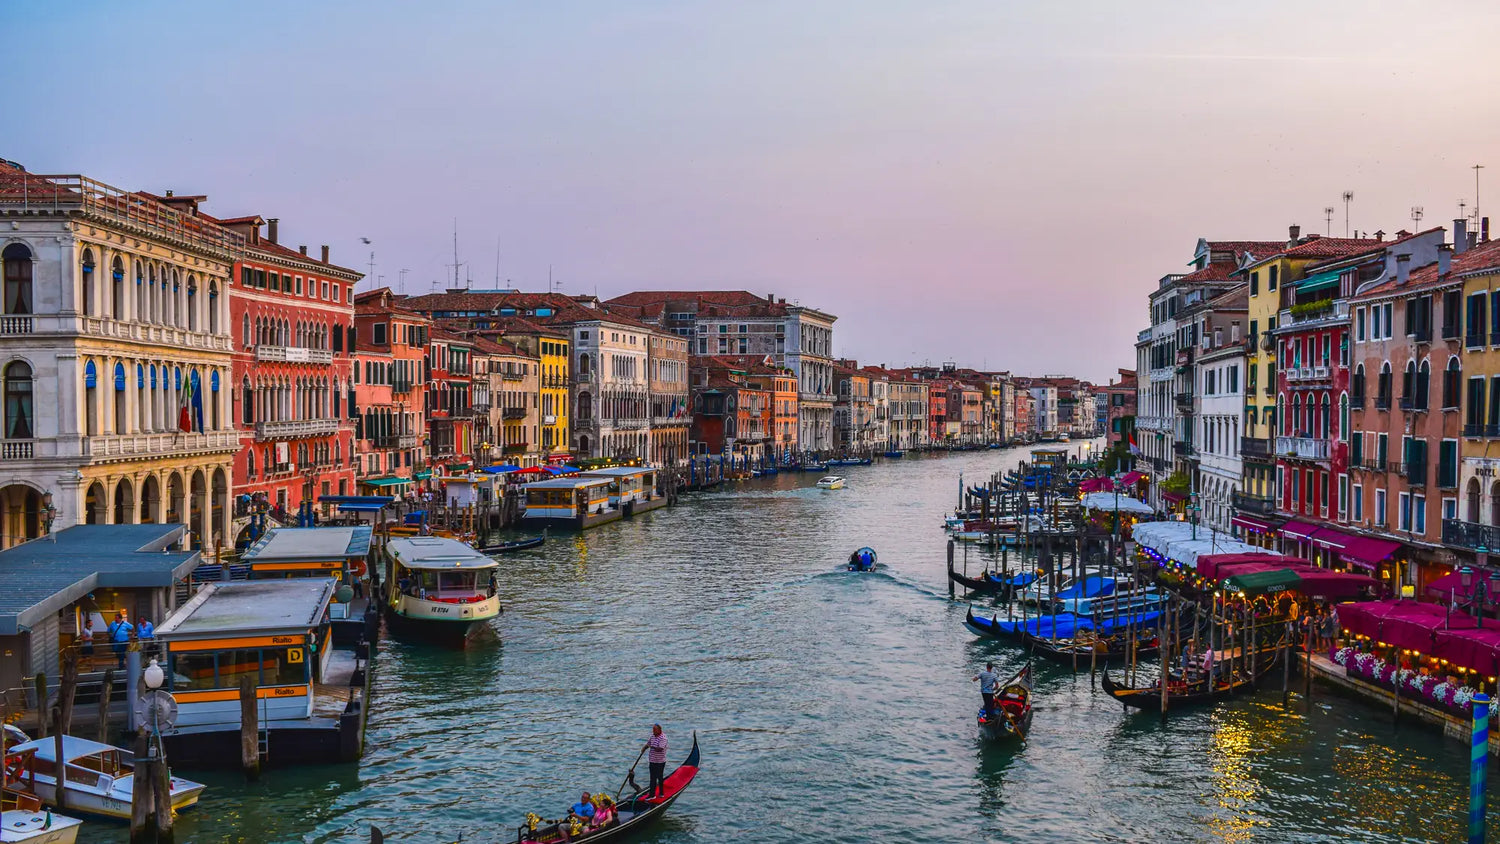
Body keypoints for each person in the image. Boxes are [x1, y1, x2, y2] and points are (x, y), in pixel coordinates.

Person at [646, 724, 668, 798]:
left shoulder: (663, 738)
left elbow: (660, 748)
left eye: (655, 729)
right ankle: (652, 795)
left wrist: (651, 746)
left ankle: (661, 793)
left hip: (660, 761)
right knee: (652, 778)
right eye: (653, 729)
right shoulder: (652, 736)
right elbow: (648, 744)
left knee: (659, 777)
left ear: (659, 730)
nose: (653, 731)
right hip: (652, 760)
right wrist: (644, 748)